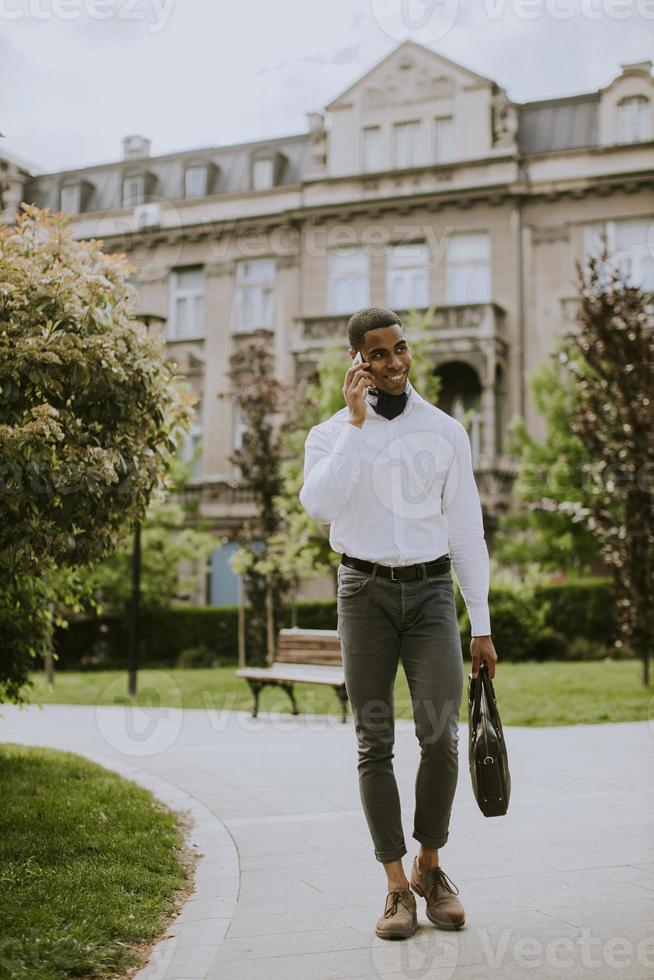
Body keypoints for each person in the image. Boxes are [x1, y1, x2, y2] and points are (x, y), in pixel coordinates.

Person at [299, 306, 498, 940]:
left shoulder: (444, 431)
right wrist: (357, 427)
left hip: (433, 591)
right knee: (374, 740)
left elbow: (467, 529)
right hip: (363, 592)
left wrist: (483, 623)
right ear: (356, 360)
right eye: (378, 354)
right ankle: (393, 886)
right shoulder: (330, 434)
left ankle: (430, 866)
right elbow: (319, 507)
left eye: (400, 350)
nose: (393, 363)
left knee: (439, 735)